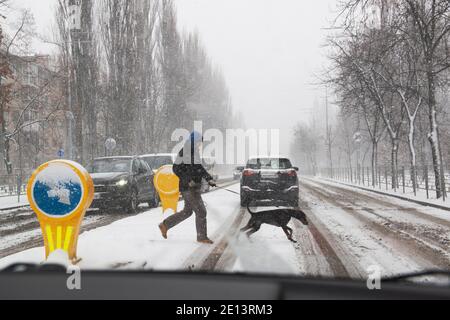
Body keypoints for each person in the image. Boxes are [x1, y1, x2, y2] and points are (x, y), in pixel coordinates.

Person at [158, 131, 217, 244]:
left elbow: (199, 168)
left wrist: (209, 179)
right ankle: (201, 237)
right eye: (199, 141)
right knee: (201, 212)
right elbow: (176, 168)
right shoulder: (185, 151)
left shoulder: (194, 152)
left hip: (193, 187)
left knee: (187, 212)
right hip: (188, 187)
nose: (200, 144)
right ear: (194, 141)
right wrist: (188, 180)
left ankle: (165, 225)